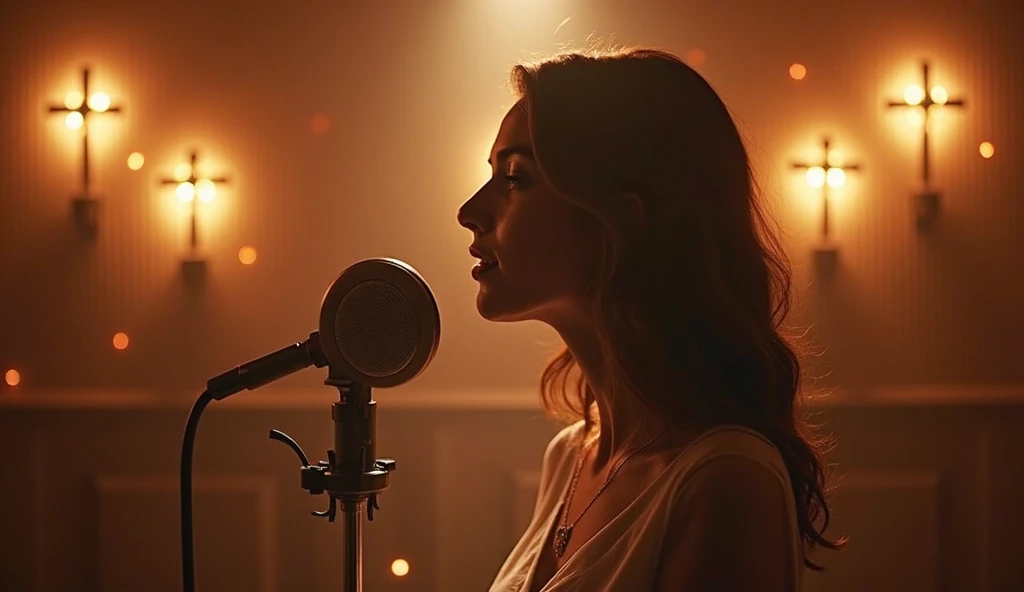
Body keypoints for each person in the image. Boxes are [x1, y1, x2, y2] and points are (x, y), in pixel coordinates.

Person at [457, 46, 845, 592]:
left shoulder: (725, 481)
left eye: (515, 177)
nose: (469, 211)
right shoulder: (571, 456)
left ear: (619, 221)